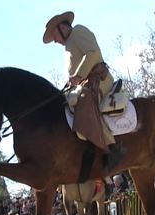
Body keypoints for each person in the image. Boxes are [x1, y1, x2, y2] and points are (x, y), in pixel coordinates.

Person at [43, 11, 123, 170]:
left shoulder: (78, 31)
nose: (55, 41)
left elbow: (92, 54)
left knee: (84, 101)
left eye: (55, 36)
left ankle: (113, 148)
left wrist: (78, 75)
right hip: (85, 83)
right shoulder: (68, 46)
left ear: (62, 28)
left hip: (99, 80)